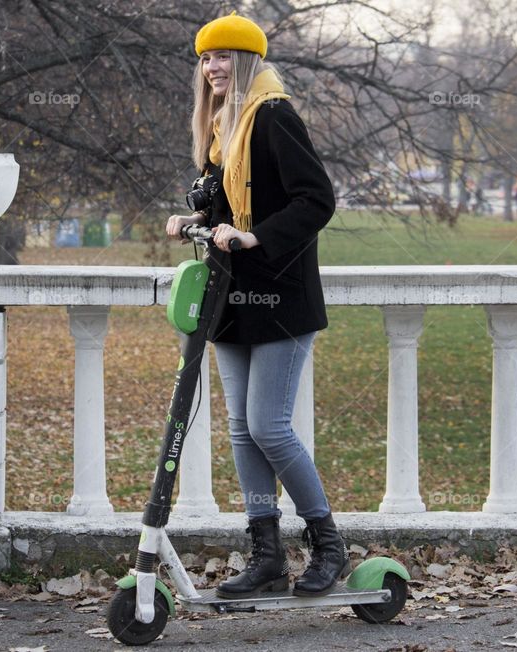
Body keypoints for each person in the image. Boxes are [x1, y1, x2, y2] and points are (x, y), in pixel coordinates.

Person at [165, 12, 346, 600]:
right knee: (243, 431)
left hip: (281, 298)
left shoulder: (273, 117)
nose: (212, 67)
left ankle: (328, 544)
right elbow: (227, 211)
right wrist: (197, 220)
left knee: (269, 425)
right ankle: (267, 555)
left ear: (246, 61)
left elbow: (316, 200)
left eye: (222, 57)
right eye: (205, 58)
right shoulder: (223, 128)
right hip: (232, 300)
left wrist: (256, 237)